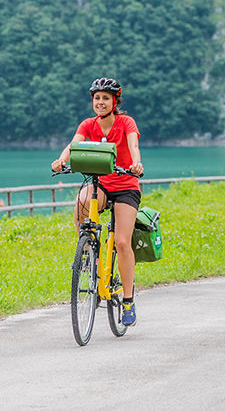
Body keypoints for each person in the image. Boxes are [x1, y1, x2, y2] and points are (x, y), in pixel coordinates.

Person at [50, 77, 145, 325]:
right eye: (97, 98)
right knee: (82, 202)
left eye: (105, 98)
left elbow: (133, 144)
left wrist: (136, 163)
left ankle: (128, 299)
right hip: (101, 183)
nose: (100, 102)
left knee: (123, 242)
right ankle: (88, 251)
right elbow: (74, 145)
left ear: (115, 101)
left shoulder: (126, 122)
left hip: (125, 186)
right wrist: (61, 160)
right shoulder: (88, 124)